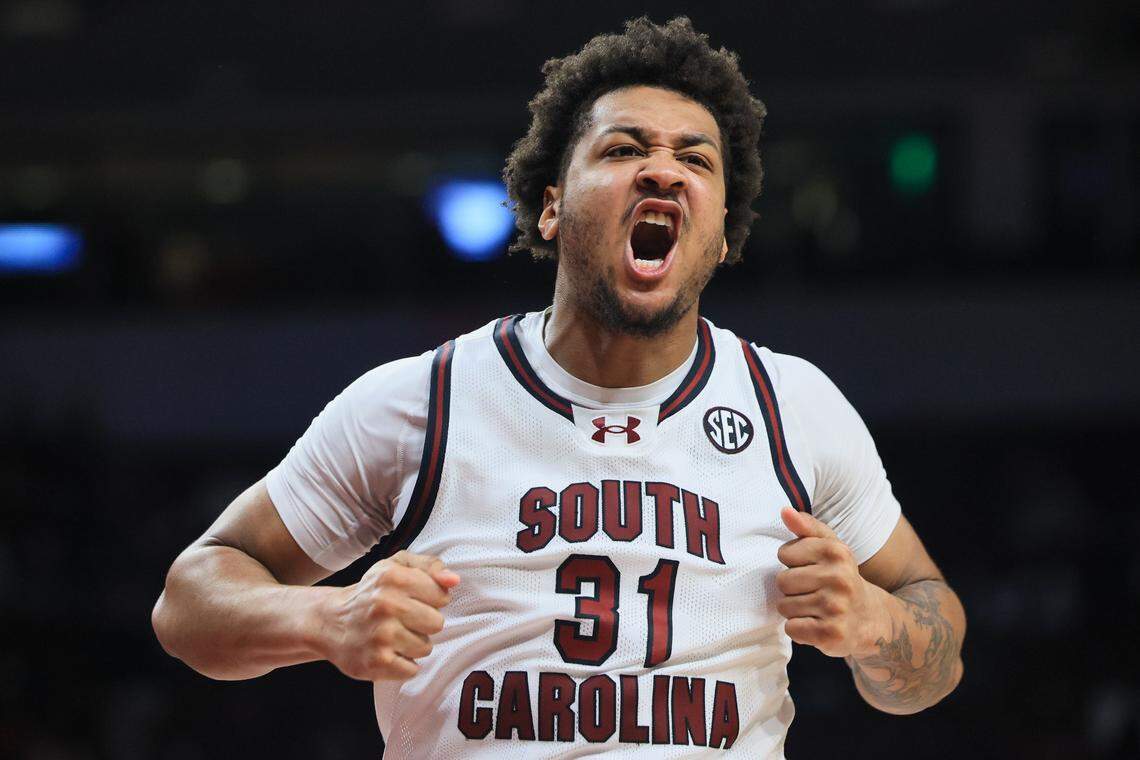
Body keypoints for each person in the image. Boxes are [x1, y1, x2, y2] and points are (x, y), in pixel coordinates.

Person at [152, 16, 965, 758]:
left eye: (695, 158)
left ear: (721, 237)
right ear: (551, 207)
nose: (662, 172)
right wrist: (326, 619)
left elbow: (938, 650)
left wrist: (877, 624)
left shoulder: (794, 407)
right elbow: (189, 605)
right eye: (623, 150)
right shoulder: (424, 401)